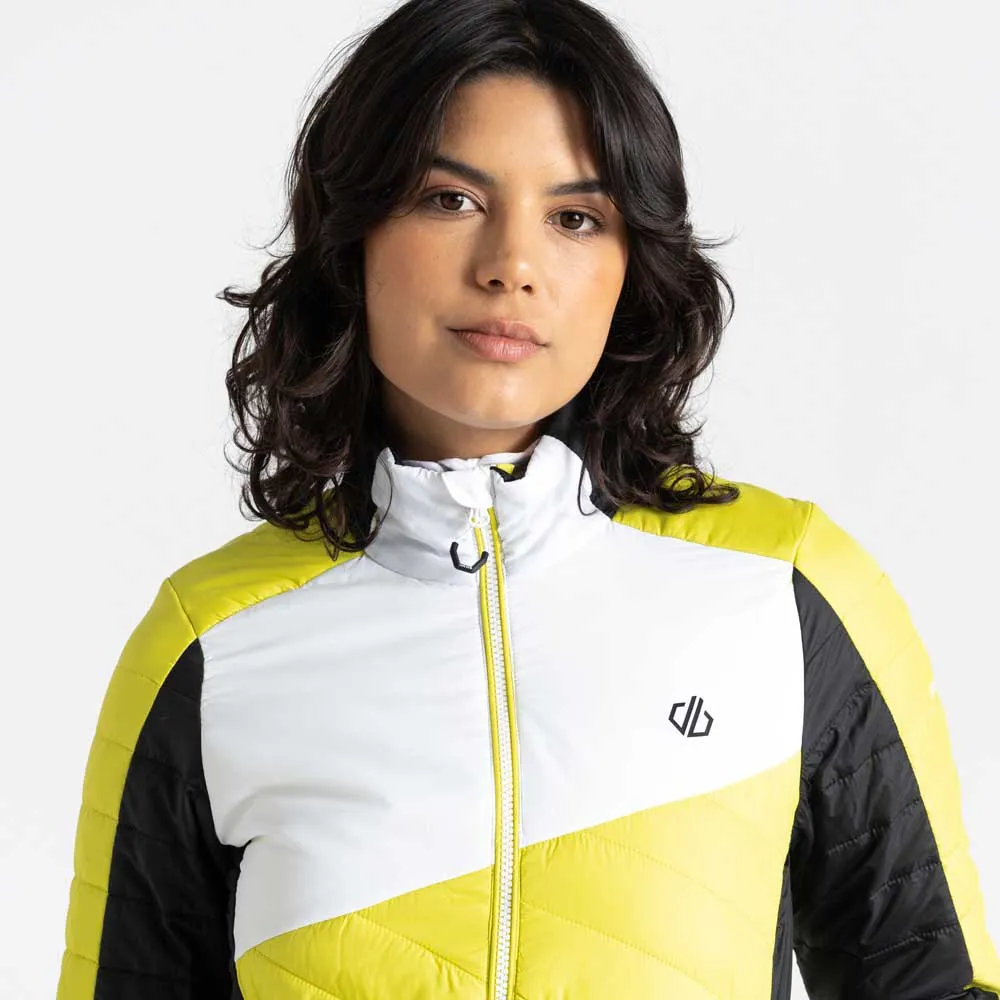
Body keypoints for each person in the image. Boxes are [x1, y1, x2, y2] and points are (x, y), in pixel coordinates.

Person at [55, 0, 998, 997]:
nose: (511, 266)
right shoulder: (210, 642)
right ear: (352, 233)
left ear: (632, 264)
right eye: (450, 199)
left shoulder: (784, 588)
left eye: (575, 218)